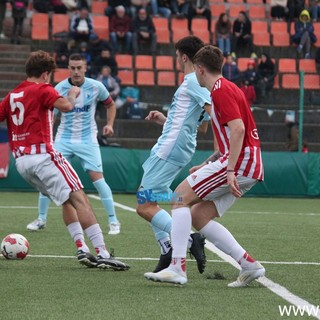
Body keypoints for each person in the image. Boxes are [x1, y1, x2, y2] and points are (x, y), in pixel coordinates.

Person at [144, 45, 265, 286]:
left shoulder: (219, 91)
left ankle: (177, 267)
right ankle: (249, 264)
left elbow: (239, 130)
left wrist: (229, 170)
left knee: (179, 196)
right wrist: (208, 164)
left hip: (240, 163)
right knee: (198, 215)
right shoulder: (227, 88)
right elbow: (231, 134)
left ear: (200, 69)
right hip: (248, 163)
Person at [0, 50, 129, 270]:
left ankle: (81, 247)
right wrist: (72, 95)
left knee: (66, 201)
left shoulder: (12, 95)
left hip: (22, 163)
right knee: (81, 199)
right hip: (44, 156)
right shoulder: (43, 89)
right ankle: (103, 252)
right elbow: (67, 107)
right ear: (46, 74)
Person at [136, 36, 210, 274]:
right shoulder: (199, 84)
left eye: (177, 55)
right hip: (178, 144)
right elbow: (202, 125)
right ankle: (167, 249)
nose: (176, 60)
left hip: (170, 147)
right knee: (151, 200)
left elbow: (214, 113)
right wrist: (166, 121)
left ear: (184, 57)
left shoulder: (192, 82)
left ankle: (189, 239)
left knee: (144, 205)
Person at [26, 53, 121, 236]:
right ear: (68, 68)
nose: (76, 71)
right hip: (64, 140)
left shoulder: (96, 87)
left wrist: (109, 124)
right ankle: (41, 219)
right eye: (73, 68)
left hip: (88, 140)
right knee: (47, 177)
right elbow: (49, 114)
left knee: (99, 180)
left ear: (85, 68)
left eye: (79, 67)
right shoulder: (59, 88)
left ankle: (113, 221)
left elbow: (110, 105)